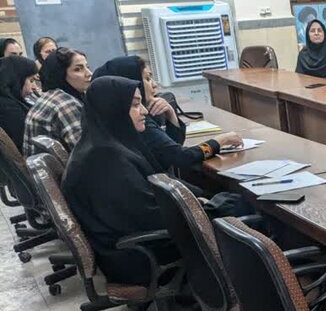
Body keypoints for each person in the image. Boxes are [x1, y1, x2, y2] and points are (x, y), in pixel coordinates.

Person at [62, 76, 179, 286]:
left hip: (132, 246)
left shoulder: (104, 143)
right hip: (138, 259)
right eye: (135, 105)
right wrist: (201, 206)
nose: (144, 111)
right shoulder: (104, 158)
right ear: (112, 109)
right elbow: (146, 216)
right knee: (230, 220)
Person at [92, 55, 241, 171]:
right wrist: (221, 140)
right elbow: (181, 157)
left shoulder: (126, 117)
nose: (155, 84)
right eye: (147, 78)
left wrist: (171, 115)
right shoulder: (135, 121)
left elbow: (170, 147)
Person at [23, 48, 91, 155]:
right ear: (60, 73)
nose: (89, 73)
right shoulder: (65, 103)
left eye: (87, 67)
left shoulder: (51, 95)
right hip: (67, 165)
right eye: (78, 69)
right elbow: (87, 151)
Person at [0, 56, 40, 151]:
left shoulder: (10, 101)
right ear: (16, 80)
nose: (34, 87)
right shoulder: (10, 111)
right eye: (31, 80)